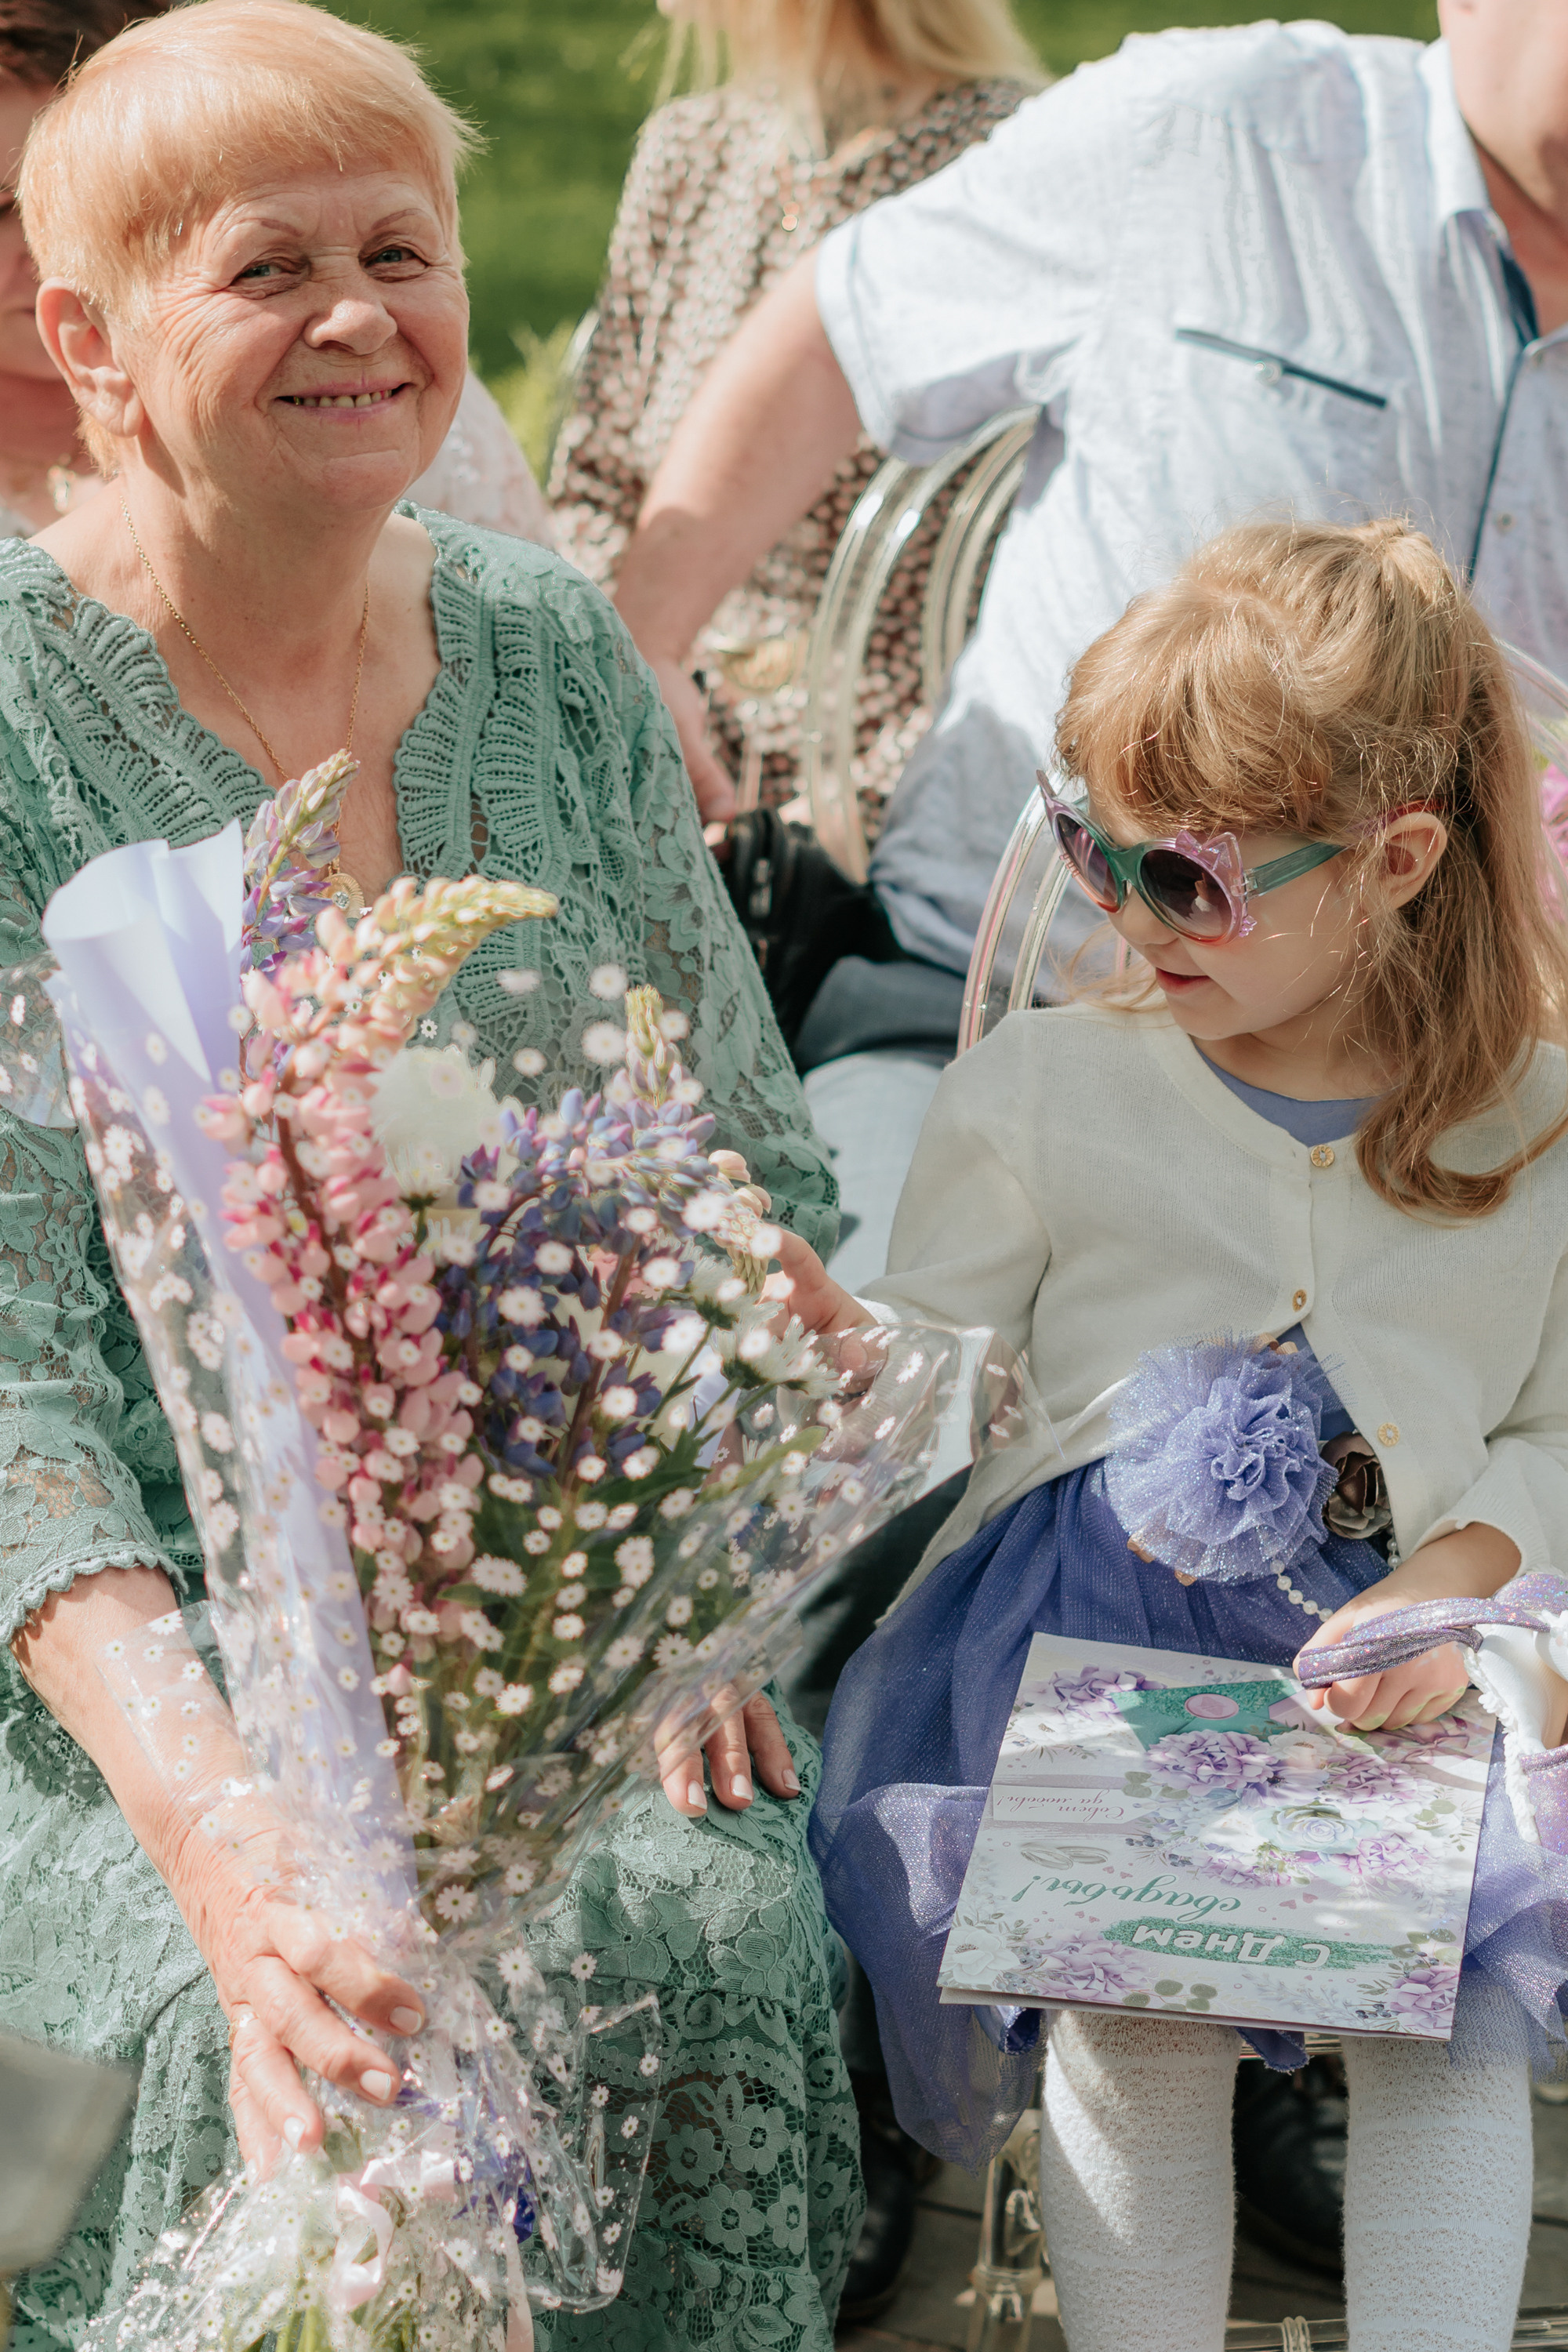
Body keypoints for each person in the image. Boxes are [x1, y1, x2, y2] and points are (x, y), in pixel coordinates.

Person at [0, 8, 856, 2350]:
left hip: (541, 1606)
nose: (362, 314)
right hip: (116, 1668)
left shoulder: (549, 654)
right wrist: (223, 1832)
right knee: (281, 2013)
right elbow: (16, 1397)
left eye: (406, 248)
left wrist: (684, 1580)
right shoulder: (0, 728)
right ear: (88, 336)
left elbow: (742, 1166)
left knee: (703, 1928)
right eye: (270, 266)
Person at [785, 515, 1568, 2352]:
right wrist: (832, 1349)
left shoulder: (1528, 1123)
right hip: (1098, 1632)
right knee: (1132, 2024)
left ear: (1390, 861)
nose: (1127, 918)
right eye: (1093, 855)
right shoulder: (1044, 1094)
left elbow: (1548, 1416)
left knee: (1440, 2022)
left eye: (1186, 878)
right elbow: (932, 1372)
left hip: (1404, 1655)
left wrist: (1454, 1580)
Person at [608, 0, 1568, 1290]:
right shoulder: (1217, 133)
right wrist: (650, 638)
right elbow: (850, 323)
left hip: (1445, 1111)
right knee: (891, 1425)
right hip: (987, 1009)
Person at [551, 0, 1036, 842]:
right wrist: (611, 697)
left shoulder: (1007, 164)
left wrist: (837, 819)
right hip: (641, 722)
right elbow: (591, 480)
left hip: (888, 779)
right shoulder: (690, 148)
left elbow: (1014, 580)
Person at [0, 0, 553, 546]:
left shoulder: (391, 398)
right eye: (5, 210)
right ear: (86, 337)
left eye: (392, 255)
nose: (45, 247)